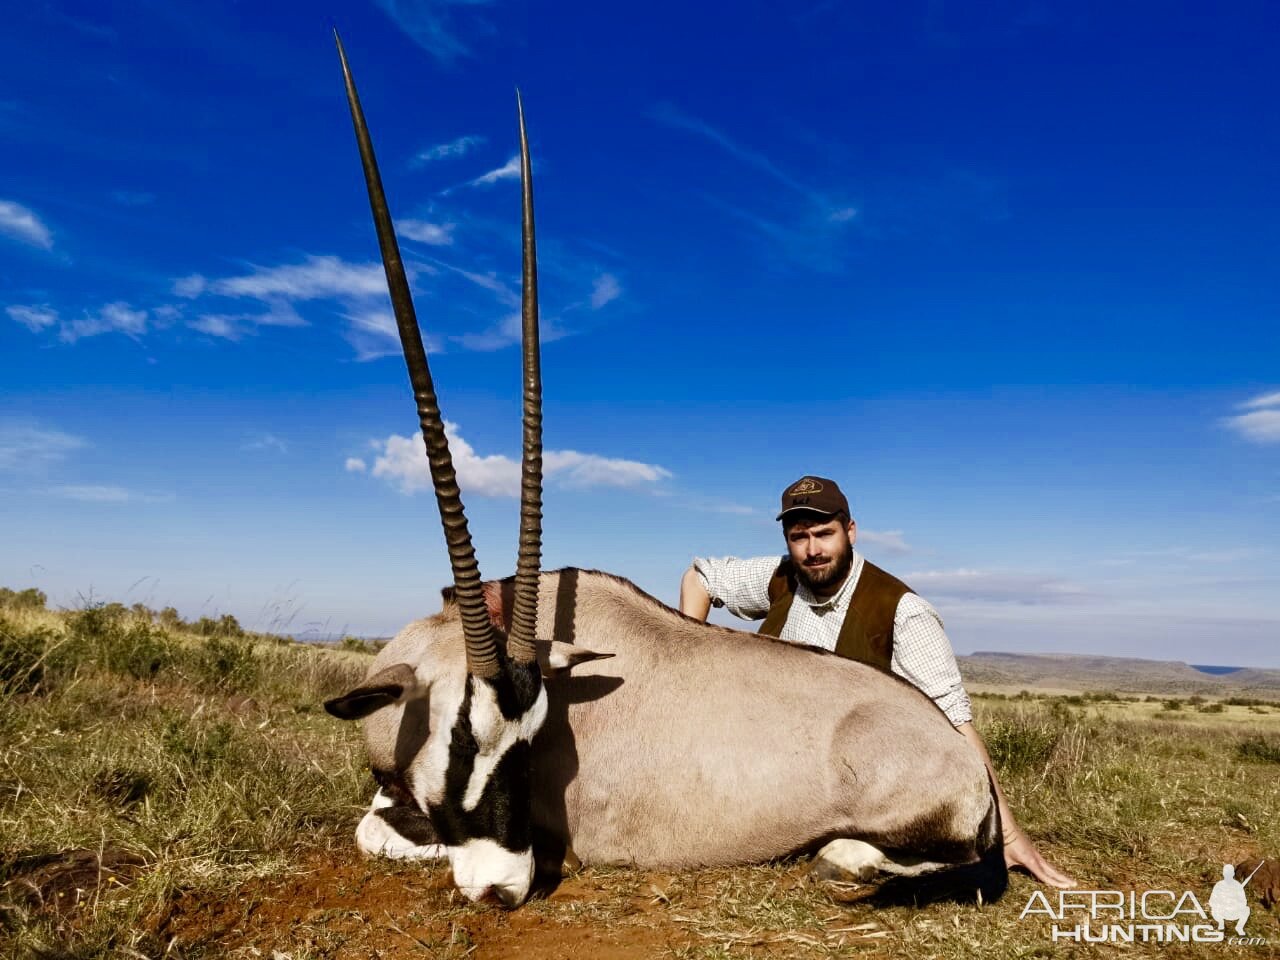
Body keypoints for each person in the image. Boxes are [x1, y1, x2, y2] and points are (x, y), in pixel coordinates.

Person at [679, 475, 1076, 889]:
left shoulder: (904, 612)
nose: (813, 550)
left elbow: (957, 723)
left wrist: (1006, 836)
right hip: (758, 757)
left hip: (835, 776)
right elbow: (699, 578)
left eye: (824, 534)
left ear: (850, 531)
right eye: (799, 537)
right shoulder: (783, 577)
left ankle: (871, 849)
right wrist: (691, 659)